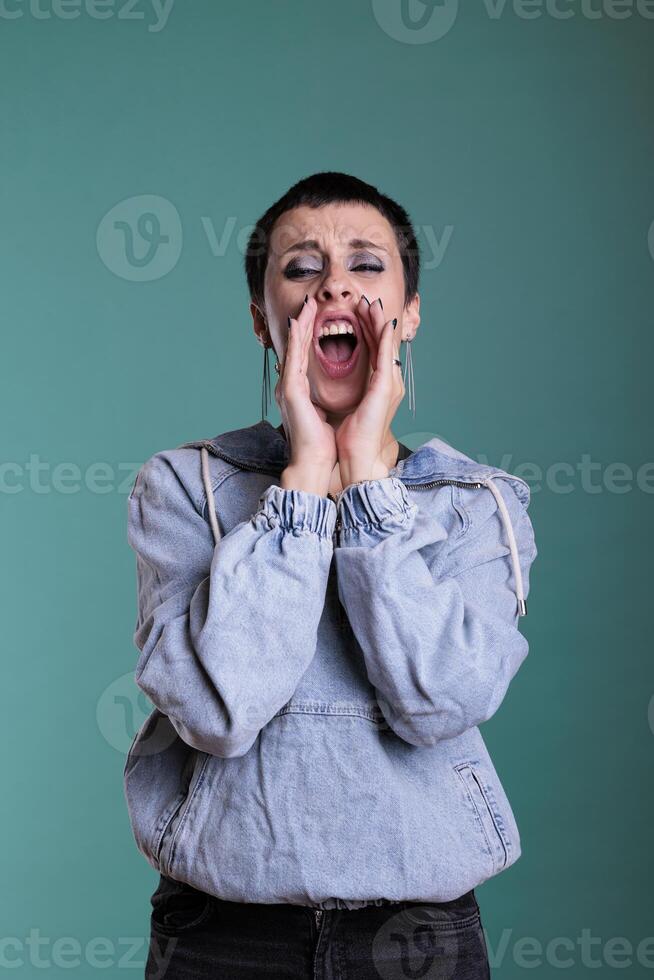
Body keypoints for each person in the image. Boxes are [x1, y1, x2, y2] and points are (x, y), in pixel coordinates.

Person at [124, 171, 538, 979]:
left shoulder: (477, 505)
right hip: (222, 936)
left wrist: (368, 488)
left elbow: (442, 700)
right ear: (263, 322)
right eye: (302, 267)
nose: (335, 283)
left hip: (422, 939)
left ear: (409, 313)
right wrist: (309, 478)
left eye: (366, 264)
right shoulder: (183, 489)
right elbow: (220, 709)